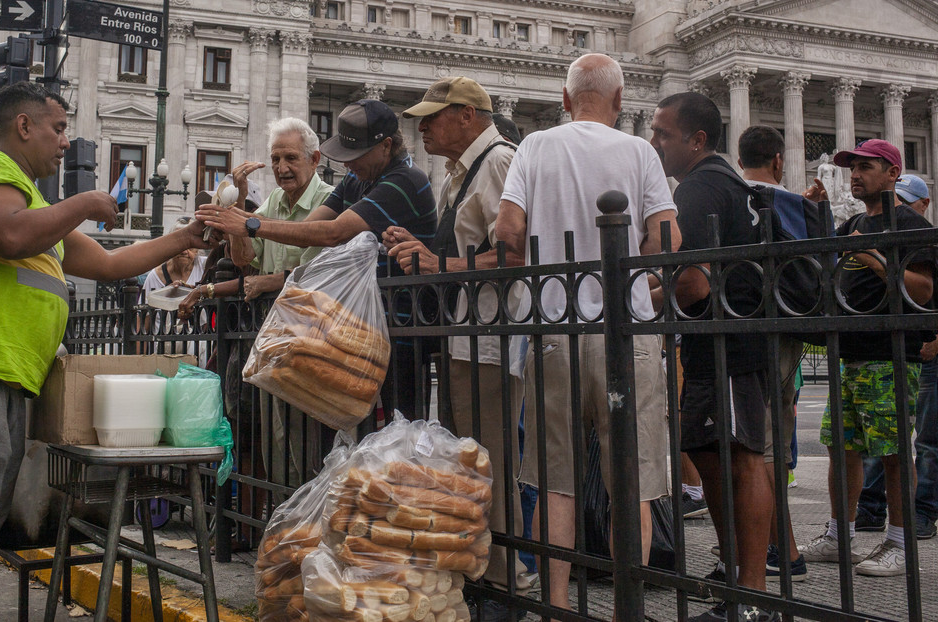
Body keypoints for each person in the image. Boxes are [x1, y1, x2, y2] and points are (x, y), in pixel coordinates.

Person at [0, 81, 217, 621]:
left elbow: (113, 264)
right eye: (59, 128)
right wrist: (87, 202)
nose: (66, 141)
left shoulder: (35, 205)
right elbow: (10, 238)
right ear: (24, 127)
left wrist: (186, 237)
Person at [494, 53, 680, 615]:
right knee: (635, 478)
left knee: (556, 480)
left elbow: (508, 232)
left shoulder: (535, 147)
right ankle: (630, 603)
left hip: (555, 329)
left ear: (565, 97)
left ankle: (555, 604)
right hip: (628, 335)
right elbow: (668, 239)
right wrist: (634, 277)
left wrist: (534, 281)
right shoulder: (639, 150)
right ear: (621, 102)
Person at [384, 75, 526, 620]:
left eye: (433, 116)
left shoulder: (495, 162)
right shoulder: (465, 170)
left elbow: (516, 254)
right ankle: (490, 570)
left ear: (467, 115)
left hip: (491, 336)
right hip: (470, 336)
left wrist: (439, 264)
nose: (422, 127)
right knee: (477, 457)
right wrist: (420, 249)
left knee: (490, 458)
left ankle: (508, 578)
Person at [198, 99, 437, 421]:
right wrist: (236, 220)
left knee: (397, 427)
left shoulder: (405, 180)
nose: (348, 165)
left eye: (356, 156)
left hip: (403, 329)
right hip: (361, 330)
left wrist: (251, 224)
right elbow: (306, 227)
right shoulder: (358, 180)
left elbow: (332, 233)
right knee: (351, 429)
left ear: (386, 146)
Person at [650, 92, 777, 622]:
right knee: (712, 453)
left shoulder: (701, 188)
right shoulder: (728, 182)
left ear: (696, 140)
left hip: (725, 342)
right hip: (727, 341)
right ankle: (738, 577)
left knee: (738, 458)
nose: (654, 142)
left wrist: (631, 299)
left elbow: (694, 284)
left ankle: (751, 597)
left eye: (663, 133)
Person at [799, 154, 937, 574]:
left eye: (865, 167)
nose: (854, 176)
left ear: (892, 173)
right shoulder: (854, 224)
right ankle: (840, 536)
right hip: (850, 351)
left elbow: (924, 288)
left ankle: (899, 542)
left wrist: (874, 257)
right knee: (841, 447)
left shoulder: (912, 226)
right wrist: (815, 213)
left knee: (893, 451)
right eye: (851, 168)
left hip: (889, 354)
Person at [184, 117, 335, 485]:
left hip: (312, 339)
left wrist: (267, 281)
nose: (282, 168)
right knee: (276, 441)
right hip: (272, 336)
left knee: (305, 444)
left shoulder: (328, 199)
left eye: (291, 158)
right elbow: (243, 259)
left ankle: (305, 522)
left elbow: (317, 272)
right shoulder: (272, 202)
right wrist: (238, 215)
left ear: (315, 159)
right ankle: (283, 521)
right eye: (275, 158)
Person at [735, 125, 810, 583]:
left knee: (754, 448)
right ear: (779, 160)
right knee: (775, 446)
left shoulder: (734, 197)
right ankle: (787, 547)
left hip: (747, 334)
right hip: (789, 331)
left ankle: (766, 552)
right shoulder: (794, 204)